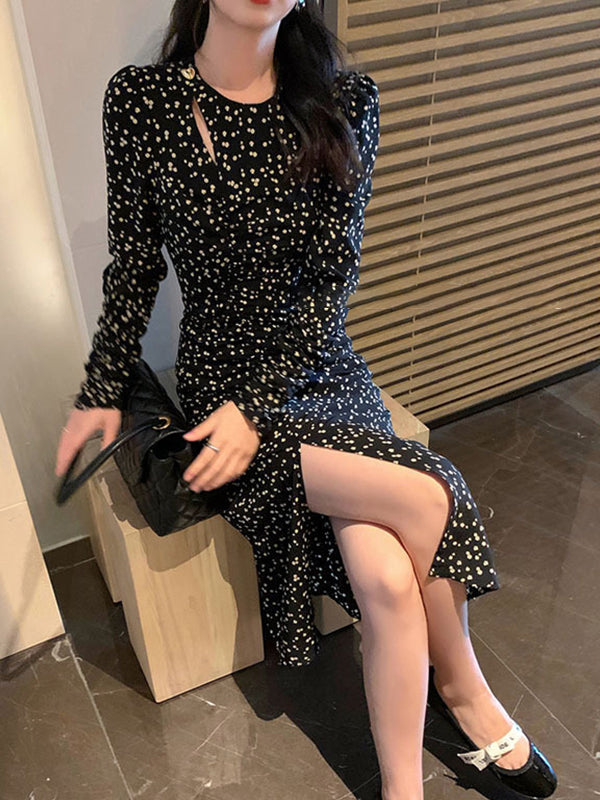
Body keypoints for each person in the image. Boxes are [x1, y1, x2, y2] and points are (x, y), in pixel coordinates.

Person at [54, 1, 558, 798]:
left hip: (320, 370)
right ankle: (465, 692)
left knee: (386, 577)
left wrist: (262, 405)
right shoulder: (142, 100)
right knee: (433, 491)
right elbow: (135, 263)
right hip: (223, 392)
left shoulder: (345, 99)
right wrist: (105, 378)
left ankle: (410, 776)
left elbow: (331, 284)